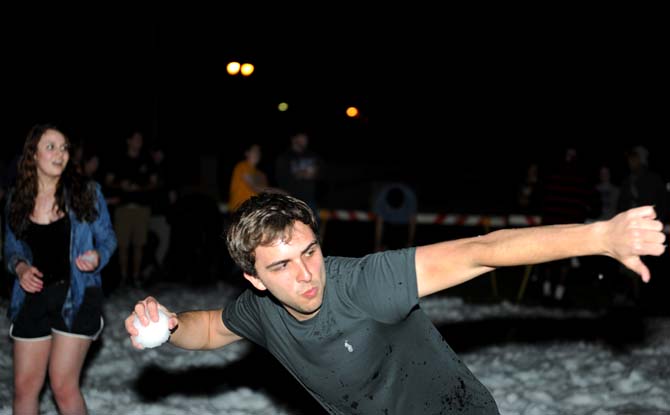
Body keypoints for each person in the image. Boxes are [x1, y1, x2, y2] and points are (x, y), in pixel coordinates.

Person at [126, 193, 665, 414]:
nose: (307, 274)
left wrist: (601, 237)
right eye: (282, 265)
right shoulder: (260, 309)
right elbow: (212, 328)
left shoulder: (364, 284)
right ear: (255, 278)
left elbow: (482, 252)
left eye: (309, 251)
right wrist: (170, 325)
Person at [4, 123, 117, 415]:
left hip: (77, 296)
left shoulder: (86, 193)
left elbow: (107, 239)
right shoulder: (17, 199)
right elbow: (11, 247)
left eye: (64, 147)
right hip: (33, 297)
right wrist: (20, 268)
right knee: (25, 388)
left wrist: (96, 256)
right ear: (32, 156)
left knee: (63, 387)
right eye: (51, 147)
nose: (60, 153)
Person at [274, 131, 323, 220]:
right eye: (302, 137)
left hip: (310, 200)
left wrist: (314, 174)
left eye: (306, 138)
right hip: (290, 201)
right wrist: (303, 173)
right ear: (294, 139)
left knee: (313, 227)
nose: (305, 140)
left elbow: (322, 174)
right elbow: (281, 179)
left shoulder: (312, 156)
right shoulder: (285, 157)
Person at [228, 143, 283, 212]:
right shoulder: (242, 166)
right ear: (247, 153)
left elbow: (266, 192)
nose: (257, 153)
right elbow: (255, 187)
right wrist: (281, 192)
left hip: (255, 209)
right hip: (239, 209)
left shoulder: (261, 174)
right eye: (254, 151)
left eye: (259, 151)